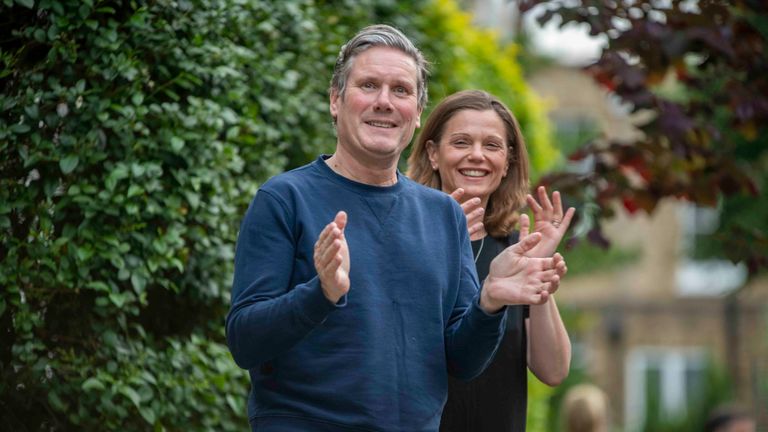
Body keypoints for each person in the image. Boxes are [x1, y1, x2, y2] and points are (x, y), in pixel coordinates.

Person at [225, 25, 567, 431]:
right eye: (369, 85)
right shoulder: (285, 199)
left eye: (401, 90)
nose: (385, 102)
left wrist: (489, 301)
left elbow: (464, 361)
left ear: (418, 112)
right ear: (336, 100)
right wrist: (321, 294)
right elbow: (245, 342)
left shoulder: (443, 215)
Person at [407, 89, 574, 431]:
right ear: (433, 153)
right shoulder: (403, 236)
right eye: (462, 142)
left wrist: (537, 275)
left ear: (507, 163)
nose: (477, 156)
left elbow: (553, 370)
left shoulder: (515, 251)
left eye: (492, 145)